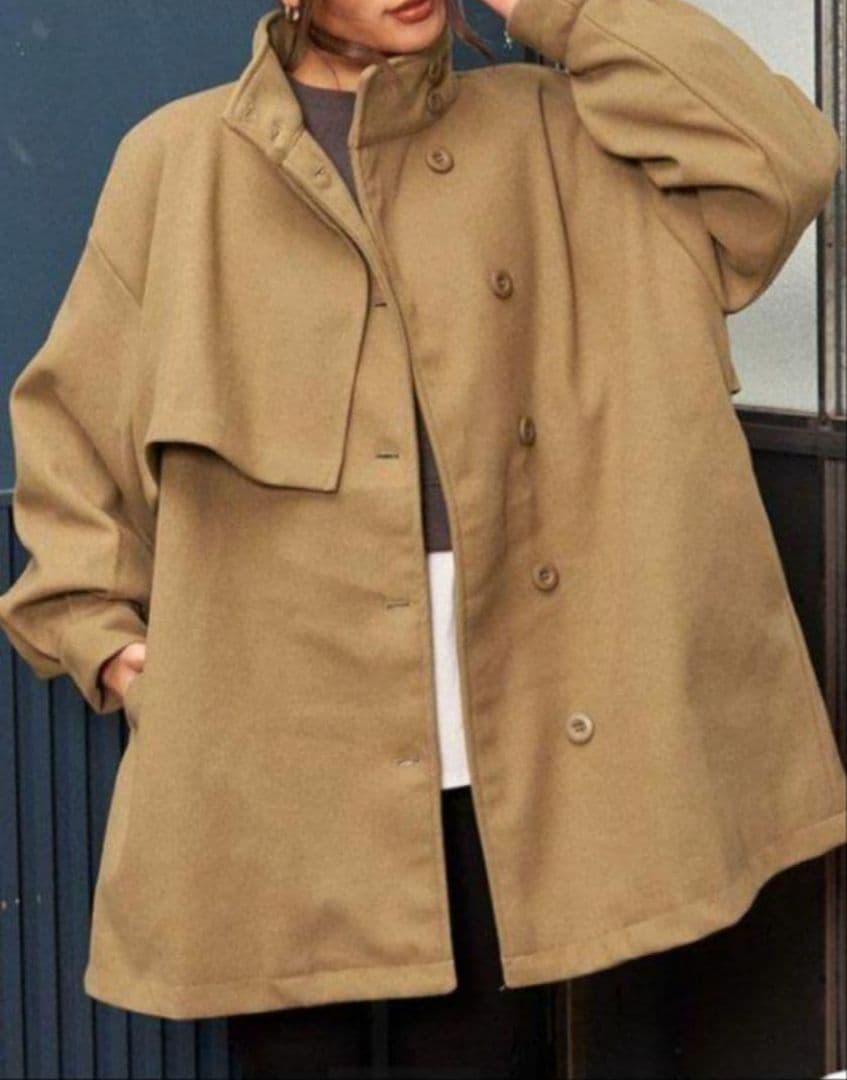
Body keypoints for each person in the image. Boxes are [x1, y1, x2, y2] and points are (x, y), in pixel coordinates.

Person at [1, 0, 844, 1077]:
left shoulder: (551, 128)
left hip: (531, 714)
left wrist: (554, 7)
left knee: (489, 1050)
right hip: (276, 727)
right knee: (294, 1054)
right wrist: (109, 644)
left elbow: (779, 163)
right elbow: (74, 427)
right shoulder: (180, 159)